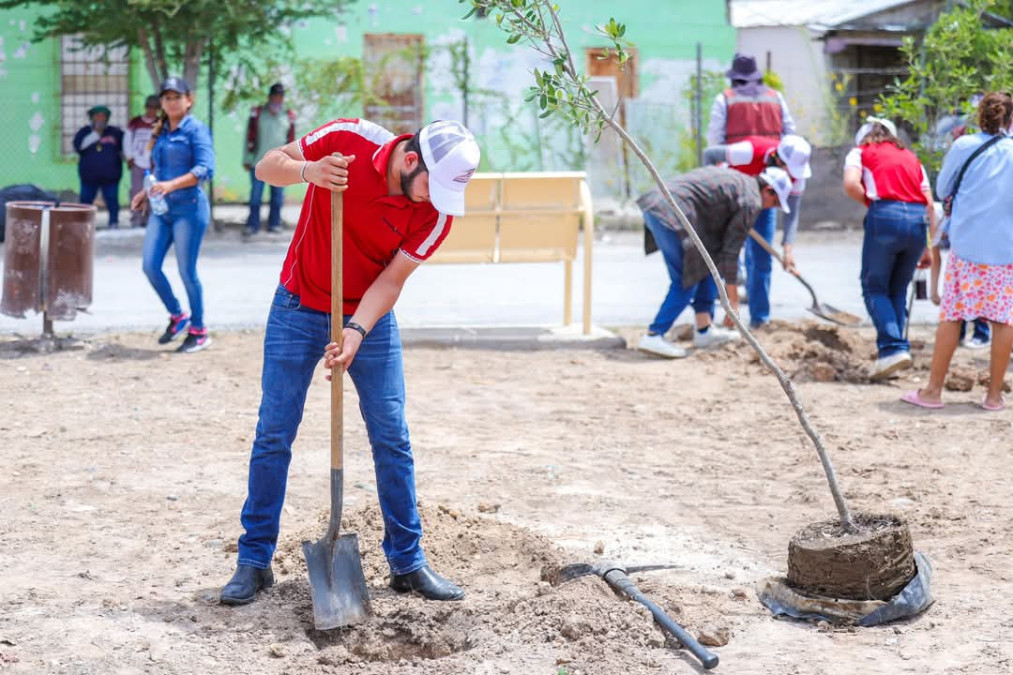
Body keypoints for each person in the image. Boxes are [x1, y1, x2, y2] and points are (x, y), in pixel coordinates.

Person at [219, 118, 481, 606]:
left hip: (370, 316)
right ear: (410, 161)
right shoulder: (349, 139)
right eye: (433, 186)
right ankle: (253, 561)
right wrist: (309, 171)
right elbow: (266, 166)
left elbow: (391, 281)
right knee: (274, 432)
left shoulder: (437, 214)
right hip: (297, 305)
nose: (437, 200)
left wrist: (356, 330)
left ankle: (407, 562)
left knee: (392, 435)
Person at [903, 92, 1013, 410]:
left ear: (980, 116)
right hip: (1005, 248)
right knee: (1003, 319)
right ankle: (993, 396)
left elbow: (942, 189)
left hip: (967, 246)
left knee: (953, 315)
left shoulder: (963, 145)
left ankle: (933, 392)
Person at [636, 165, 792, 359]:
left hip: (658, 206)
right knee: (685, 282)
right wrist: (733, 302)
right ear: (768, 190)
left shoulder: (742, 183)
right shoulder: (751, 201)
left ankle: (704, 330)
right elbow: (731, 254)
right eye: (775, 202)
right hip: (669, 213)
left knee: (706, 268)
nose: (771, 208)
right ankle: (654, 335)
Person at [706, 53, 797, 328]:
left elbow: (714, 142)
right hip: (770, 189)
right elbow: (791, 136)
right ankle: (760, 318)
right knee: (761, 257)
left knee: (726, 252)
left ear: (734, 78)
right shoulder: (776, 98)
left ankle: (723, 316)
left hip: (735, 188)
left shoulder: (725, 99)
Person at [843, 116, 935, 380]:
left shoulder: (860, 152)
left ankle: (892, 348)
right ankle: (895, 352)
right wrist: (927, 247)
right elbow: (929, 204)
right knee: (897, 289)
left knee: (874, 287)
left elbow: (851, 184)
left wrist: (873, 206)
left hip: (885, 215)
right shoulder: (911, 157)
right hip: (917, 221)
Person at [129, 77, 215, 354]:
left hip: (189, 209)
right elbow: (159, 171)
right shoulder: (162, 130)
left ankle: (199, 331)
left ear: (189, 100)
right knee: (150, 266)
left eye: (177, 97)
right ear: (162, 103)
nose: (172, 102)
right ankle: (178, 316)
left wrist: (170, 186)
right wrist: (146, 192)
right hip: (161, 209)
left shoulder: (196, 130)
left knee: (186, 272)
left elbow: (205, 169)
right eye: (167, 98)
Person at [703, 134, 812, 327]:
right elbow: (710, 155)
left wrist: (788, 249)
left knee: (761, 261)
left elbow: (792, 213)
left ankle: (760, 320)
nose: (792, 175)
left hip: (765, 204)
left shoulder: (797, 175)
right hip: (731, 199)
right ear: (778, 160)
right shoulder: (749, 152)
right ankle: (707, 322)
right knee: (717, 256)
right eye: (789, 169)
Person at [244, 82, 296, 235]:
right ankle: (252, 225)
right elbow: (249, 137)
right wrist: (247, 158)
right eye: (275, 96)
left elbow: (291, 140)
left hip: (280, 163)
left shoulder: (288, 116)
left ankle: (274, 223)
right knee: (255, 196)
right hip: (258, 162)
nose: (277, 99)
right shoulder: (258, 114)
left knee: (278, 196)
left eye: (280, 96)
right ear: (269, 97)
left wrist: (293, 161)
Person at [73, 105, 125, 229]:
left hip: (111, 175)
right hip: (89, 176)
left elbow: (124, 149)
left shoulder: (115, 132)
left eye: (103, 116)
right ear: (92, 117)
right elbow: (79, 147)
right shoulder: (84, 132)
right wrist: (95, 133)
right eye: (97, 115)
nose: (100, 118)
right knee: (86, 201)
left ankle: (113, 222)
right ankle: (83, 224)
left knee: (112, 199)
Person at [123, 95, 161, 228]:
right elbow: (127, 140)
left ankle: (150, 220)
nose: (152, 110)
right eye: (150, 107)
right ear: (145, 107)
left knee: (153, 192)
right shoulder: (135, 122)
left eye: (155, 108)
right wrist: (129, 157)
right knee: (136, 191)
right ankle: (136, 220)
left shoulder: (160, 123)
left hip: (154, 164)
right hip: (138, 163)